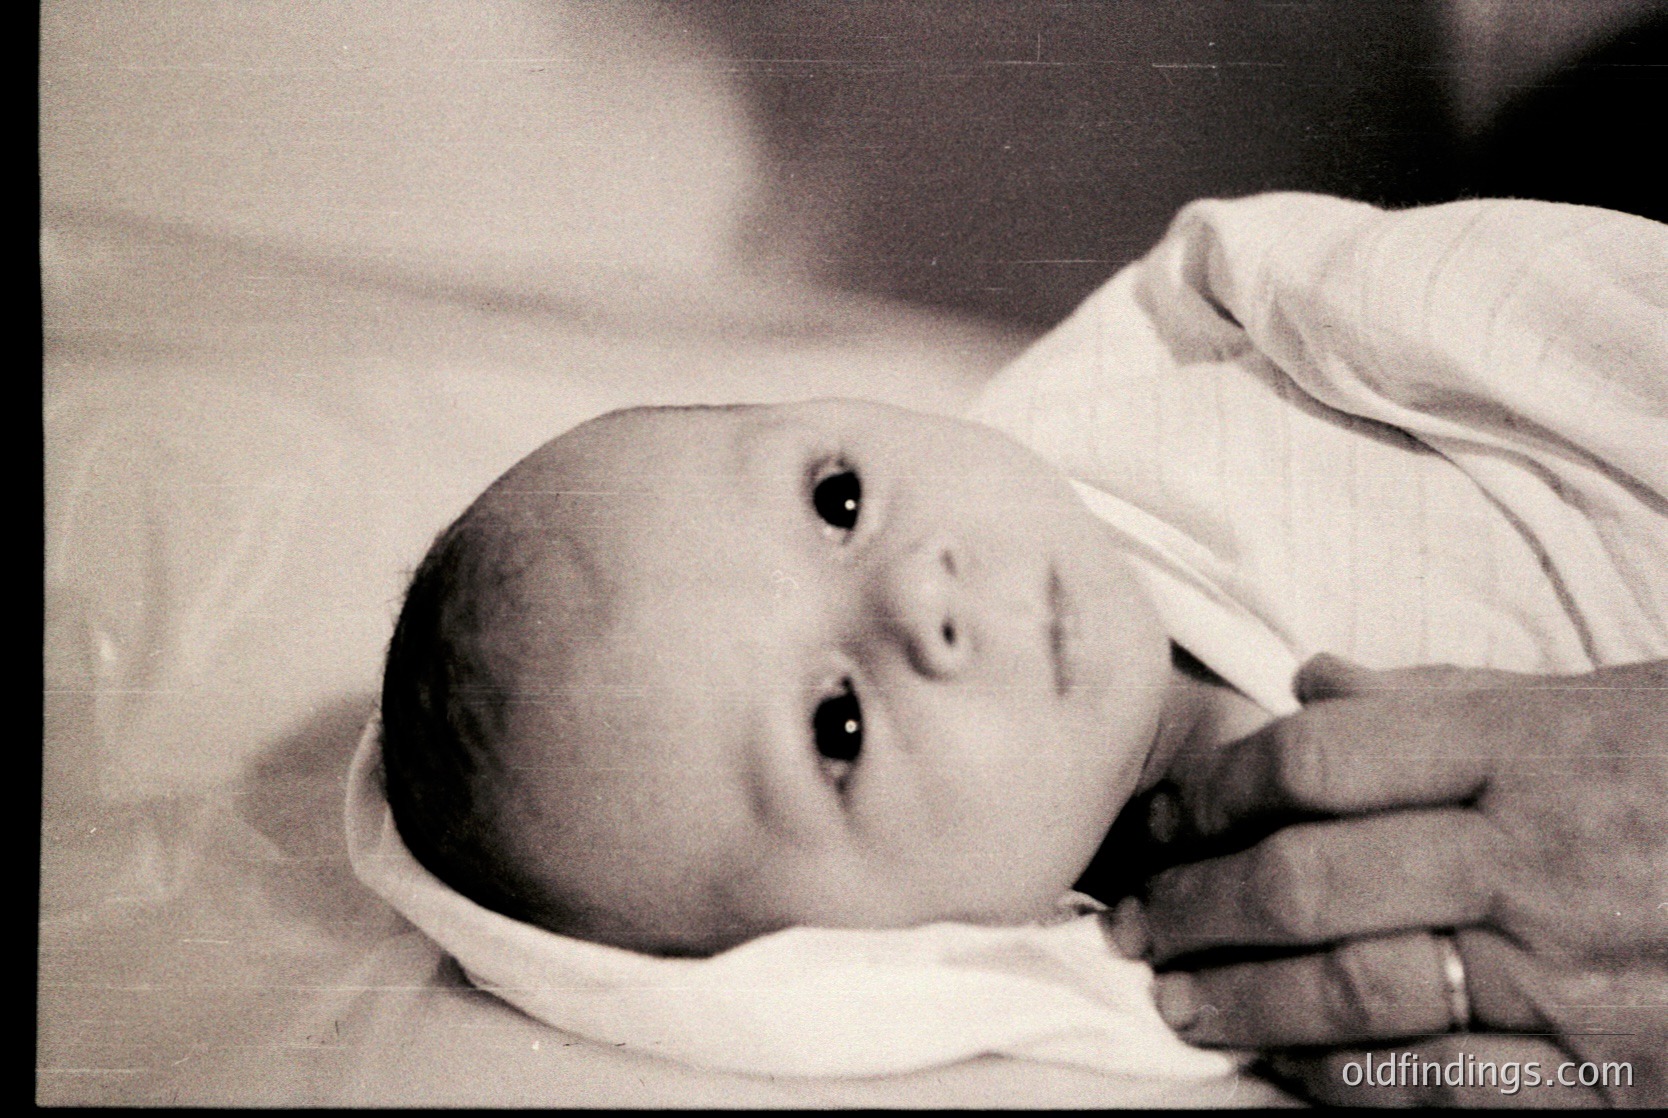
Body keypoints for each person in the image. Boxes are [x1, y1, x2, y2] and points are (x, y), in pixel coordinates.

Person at [370, 192, 1667, 1099]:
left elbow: (1561, 322)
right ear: (839, 954)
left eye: (839, 499)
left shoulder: (1229, 370)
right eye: (839, 726)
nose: (923, 603)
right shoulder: (1204, 992)